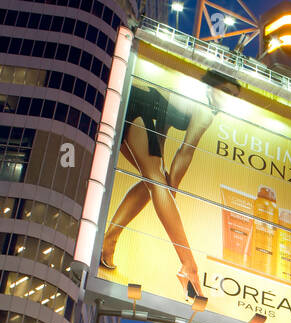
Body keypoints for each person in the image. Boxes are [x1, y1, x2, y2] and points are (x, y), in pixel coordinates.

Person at [100, 70, 236, 299]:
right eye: (226, 91)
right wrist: (169, 189)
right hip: (136, 107)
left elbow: (161, 129)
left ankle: (109, 241)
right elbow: (186, 151)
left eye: (233, 95)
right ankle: (188, 265)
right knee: (155, 178)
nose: (229, 98)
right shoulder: (204, 108)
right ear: (212, 86)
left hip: (130, 106)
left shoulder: (195, 100)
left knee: (153, 179)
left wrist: (167, 188)